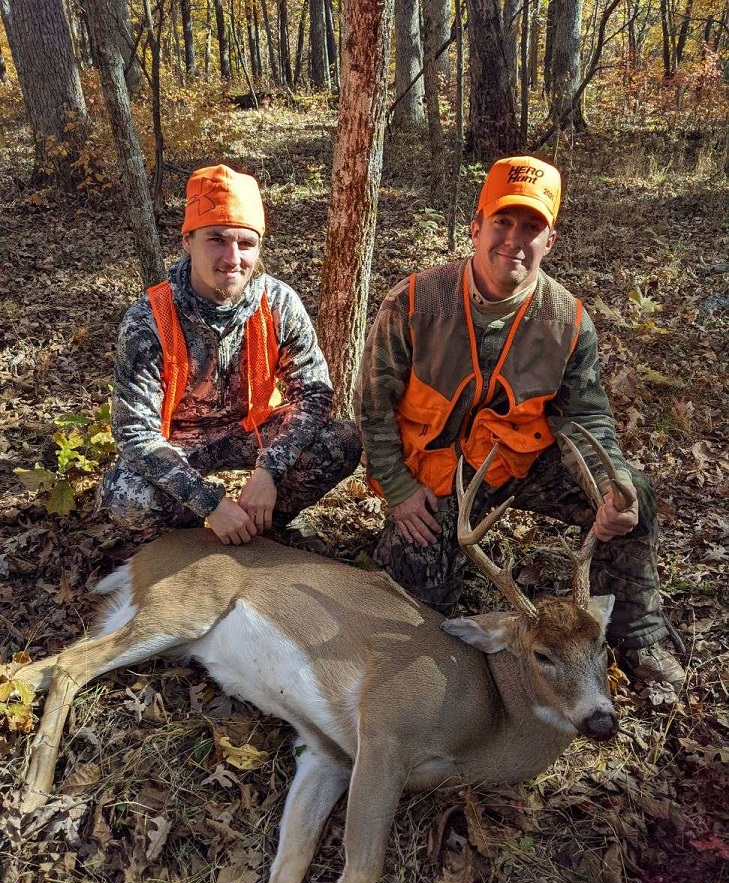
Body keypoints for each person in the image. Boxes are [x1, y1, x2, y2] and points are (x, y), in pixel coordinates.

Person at [355, 155, 685, 693]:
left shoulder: (568, 321)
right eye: (503, 222)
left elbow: (586, 418)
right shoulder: (414, 302)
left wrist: (608, 489)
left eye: (531, 226)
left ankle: (637, 634)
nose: (514, 239)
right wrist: (397, 489)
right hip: (438, 478)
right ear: (476, 227)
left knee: (635, 497)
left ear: (549, 240)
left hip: (518, 464)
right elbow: (372, 405)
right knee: (415, 615)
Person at [98, 164, 361, 546]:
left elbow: (314, 393)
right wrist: (209, 502)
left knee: (341, 440)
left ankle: (261, 524)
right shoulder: (149, 320)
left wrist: (270, 470)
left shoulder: (279, 304)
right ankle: (190, 540)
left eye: (246, 243)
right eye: (216, 239)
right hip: (180, 444)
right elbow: (135, 433)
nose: (232, 257)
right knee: (127, 497)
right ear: (187, 241)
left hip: (251, 432)